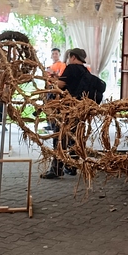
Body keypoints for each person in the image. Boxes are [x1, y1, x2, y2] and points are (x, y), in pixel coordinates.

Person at [41, 48, 88, 179]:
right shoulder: (84, 70)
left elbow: (61, 85)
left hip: (66, 110)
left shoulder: (71, 68)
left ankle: (56, 169)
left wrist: (52, 80)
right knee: (73, 138)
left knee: (60, 138)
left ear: (73, 57)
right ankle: (72, 167)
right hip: (79, 109)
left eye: (69, 57)